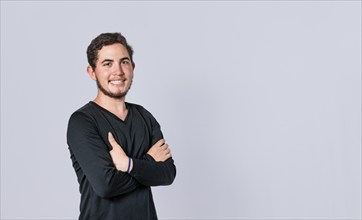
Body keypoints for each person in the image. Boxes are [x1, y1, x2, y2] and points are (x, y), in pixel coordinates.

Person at [66, 32, 176, 220]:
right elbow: (106, 185)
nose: (118, 71)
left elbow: (168, 173)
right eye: (107, 64)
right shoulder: (82, 122)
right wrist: (148, 162)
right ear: (92, 72)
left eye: (124, 62)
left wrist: (127, 164)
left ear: (132, 67)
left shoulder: (144, 116)